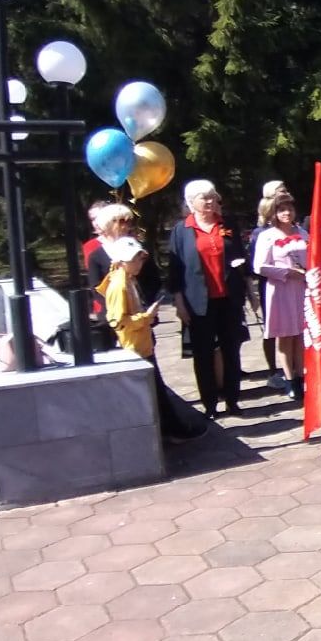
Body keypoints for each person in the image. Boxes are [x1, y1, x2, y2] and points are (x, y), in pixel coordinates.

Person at [97, 236, 205, 444]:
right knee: (154, 393)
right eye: (134, 259)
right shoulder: (119, 284)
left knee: (157, 391)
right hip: (134, 346)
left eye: (140, 259)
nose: (139, 263)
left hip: (142, 343)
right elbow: (117, 321)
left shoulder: (128, 279)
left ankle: (170, 430)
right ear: (121, 261)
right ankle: (171, 432)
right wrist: (146, 317)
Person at [167, 179, 248, 420]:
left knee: (231, 350)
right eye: (204, 198)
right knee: (203, 354)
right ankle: (210, 404)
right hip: (198, 302)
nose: (211, 201)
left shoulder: (228, 224)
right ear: (191, 203)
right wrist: (179, 302)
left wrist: (247, 290)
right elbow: (175, 271)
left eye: (213, 196)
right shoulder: (182, 230)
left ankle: (233, 400)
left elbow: (241, 258)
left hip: (229, 298)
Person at [252, 193, 308, 400]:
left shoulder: (303, 233)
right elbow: (259, 266)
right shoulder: (268, 236)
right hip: (281, 289)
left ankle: (301, 375)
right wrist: (285, 272)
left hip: (302, 288)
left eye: (290, 209)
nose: (287, 213)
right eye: (282, 210)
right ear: (273, 213)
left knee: (301, 334)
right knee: (286, 335)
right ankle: (289, 378)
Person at [249, 180, 288, 385]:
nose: (285, 194)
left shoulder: (292, 225)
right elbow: (257, 264)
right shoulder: (262, 232)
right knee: (272, 326)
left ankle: (293, 367)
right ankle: (273, 370)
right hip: (271, 284)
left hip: (293, 285)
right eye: (281, 192)